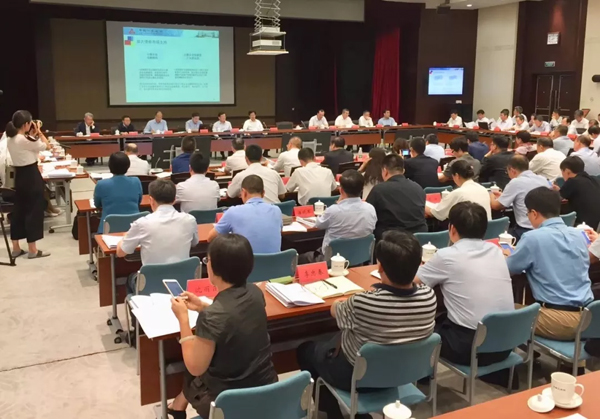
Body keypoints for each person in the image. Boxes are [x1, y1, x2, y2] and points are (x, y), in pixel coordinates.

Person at [298, 230, 436, 419]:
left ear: (380, 267)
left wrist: (345, 300)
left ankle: (334, 414)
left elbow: (334, 310)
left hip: (358, 376)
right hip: (404, 372)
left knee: (305, 350)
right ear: (419, 264)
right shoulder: (429, 296)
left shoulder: (364, 303)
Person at [168, 234, 278, 419]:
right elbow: (233, 317)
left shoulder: (212, 317)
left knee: (192, 371)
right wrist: (202, 306)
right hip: (266, 388)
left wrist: (183, 319)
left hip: (228, 403)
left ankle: (177, 407)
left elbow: (195, 367)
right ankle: (177, 406)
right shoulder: (255, 292)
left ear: (215, 267)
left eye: (208, 260)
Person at [416, 202, 514, 366]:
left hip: (471, 348)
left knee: (421, 328)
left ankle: (420, 376)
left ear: (452, 229)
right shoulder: (496, 251)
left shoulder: (446, 256)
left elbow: (413, 281)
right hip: (505, 344)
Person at [506, 187, 593, 340]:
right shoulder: (579, 235)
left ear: (534, 213)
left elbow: (507, 269)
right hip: (589, 318)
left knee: (501, 310)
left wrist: (507, 255)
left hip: (557, 320)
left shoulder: (532, 238)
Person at [117, 179, 198, 282]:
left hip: (152, 283)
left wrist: (126, 235)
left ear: (151, 200)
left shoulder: (141, 224)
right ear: (174, 199)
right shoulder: (190, 220)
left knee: (130, 279)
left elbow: (121, 252)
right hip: (182, 282)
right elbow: (194, 243)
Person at [298, 170, 377, 264]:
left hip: (332, 260)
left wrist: (338, 203)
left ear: (341, 190)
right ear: (362, 189)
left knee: (301, 258)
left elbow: (318, 224)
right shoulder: (370, 209)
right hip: (360, 258)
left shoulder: (334, 210)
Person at [6, 111, 51, 259]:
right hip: (31, 176)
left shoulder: (10, 138)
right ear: (26, 124)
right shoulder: (24, 140)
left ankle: (16, 247)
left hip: (19, 176)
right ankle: (32, 249)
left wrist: (32, 134)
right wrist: (39, 131)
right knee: (34, 210)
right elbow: (46, 145)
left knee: (19, 211)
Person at [209, 175, 282, 253]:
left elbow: (210, 238)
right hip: (275, 260)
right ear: (263, 193)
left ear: (243, 192)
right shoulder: (276, 210)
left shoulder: (233, 212)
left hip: (245, 260)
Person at [366, 153, 427, 239]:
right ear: (403, 171)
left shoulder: (379, 190)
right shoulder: (418, 187)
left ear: (385, 171)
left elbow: (368, 214)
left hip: (391, 240)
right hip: (419, 238)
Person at [490, 155, 551, 240]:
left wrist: (490, 195)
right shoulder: (542, 179)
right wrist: (503, 196)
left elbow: (496, 206)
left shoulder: (515, 182)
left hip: (525, 230)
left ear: (512, 170)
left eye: (507, 172)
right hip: (545, 228)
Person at [94, 152, 143, 233]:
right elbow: (139, 201)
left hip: (109, 229)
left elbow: (97, 204)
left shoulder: (101, 184)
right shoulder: (136, 181)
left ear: (110, 166)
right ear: (128, 166)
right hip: (134, 228)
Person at [427, 160, 492, 221]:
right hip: (488, 227)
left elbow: (436, 213)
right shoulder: (483, 189)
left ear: (457, 176)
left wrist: (423, 205)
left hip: (469, 228)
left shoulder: (458, 193)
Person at [555, 156, 600, 229]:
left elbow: (555, 199)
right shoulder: (595, 180)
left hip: (582, 225)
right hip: (597, 225)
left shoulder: (572, 181)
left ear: (567, 171)